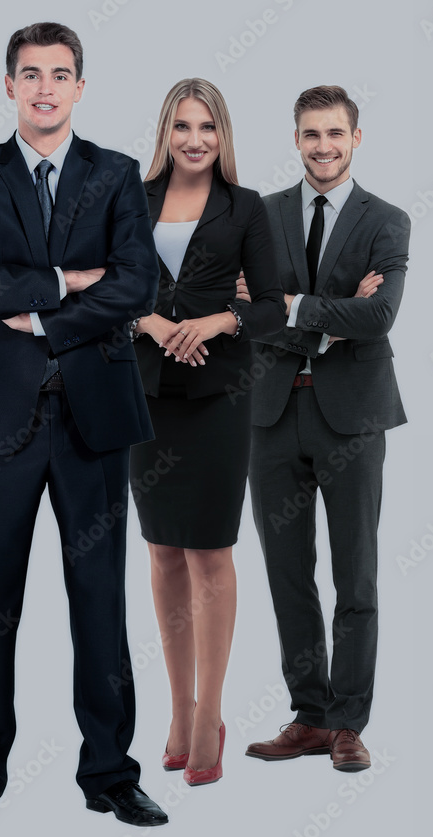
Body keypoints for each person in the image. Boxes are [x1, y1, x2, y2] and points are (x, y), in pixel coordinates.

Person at [0, 22, 166, 830]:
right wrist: (70, 281)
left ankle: (110, 772)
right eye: (29, 73)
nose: (44, 87)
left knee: (100, 601)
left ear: (79, 86)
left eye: (59, 74)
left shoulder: (116, 174)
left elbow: (138, 283)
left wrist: (37, 314)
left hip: (93, 414)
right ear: (9, 85)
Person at [241, 85, 410, 772]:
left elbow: (380, 319)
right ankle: (309, 716)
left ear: (356, 138)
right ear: (296, 138)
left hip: (353, 420)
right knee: (287, 575)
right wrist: (326, 321)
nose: (323, 147)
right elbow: (240, 310)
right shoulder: (260, 214)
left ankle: (348, 724)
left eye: (335, 134)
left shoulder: (386, 220)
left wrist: (288, 305)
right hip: (271, 415)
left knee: (356, 576)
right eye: (311, 134)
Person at [131, 79, 285, 787]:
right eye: (183, 126)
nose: (195, 139)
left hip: (219, 394)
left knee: (209, 553)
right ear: (165, 131)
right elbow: (106, 288)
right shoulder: (127, 199)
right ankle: (178, 706)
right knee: (163, 552)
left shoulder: (245, 207)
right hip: (146, 394)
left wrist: (218, 320)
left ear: (222, 137)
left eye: (208, 128)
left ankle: (210, 714)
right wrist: (156, 323)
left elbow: (273, 307)